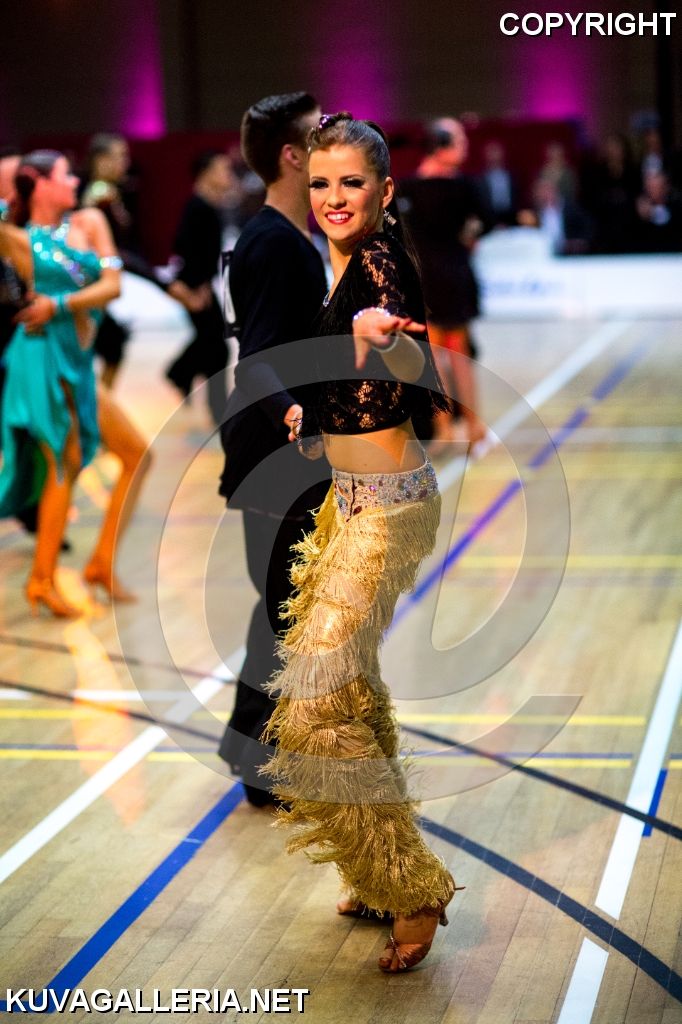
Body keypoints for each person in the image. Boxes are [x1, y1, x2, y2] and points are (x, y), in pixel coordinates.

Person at [263, 113, 457, 974]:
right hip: (348, 504)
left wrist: (374, 346)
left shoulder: (380, 263)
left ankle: (412, 888)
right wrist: (316, 407)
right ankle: (377, 869)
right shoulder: (343, 258)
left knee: (313, 707)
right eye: (321, 183)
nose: (334, 198)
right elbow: (354, 375)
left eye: (352, 183)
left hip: (389, 509)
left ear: (384, 188)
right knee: (352, 694)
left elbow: (409, 362)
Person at [216, 92, 330, 808]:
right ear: (291, 156)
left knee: (283, 602)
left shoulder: (285, 237)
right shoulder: (274, 244)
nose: (331, 140)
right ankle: (262, 764)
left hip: (280, 446)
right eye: (318, 135)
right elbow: (256, 360)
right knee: (287, 604)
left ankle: (250, 747)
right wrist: (295, 412)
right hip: (274, 449)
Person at [0, 150, 151, 615]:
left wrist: (59, 304)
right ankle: (41, 580)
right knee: (62, 463)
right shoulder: (17, 239)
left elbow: (113, 285)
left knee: (136, 454)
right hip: (41, 357)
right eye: (65, 175)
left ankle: (101, 562)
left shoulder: (89, 222)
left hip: (79, 360)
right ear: (40, 183)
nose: (74, 181)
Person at [398, 118, 489, 444]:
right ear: (441, 147)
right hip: (453, 273)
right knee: (458, 353)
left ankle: (445, 429)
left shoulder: (408, 188)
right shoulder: (465, 187)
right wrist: (468, 237)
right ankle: (473, 427)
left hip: (426, 276)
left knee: (435, 355)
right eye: (459, 141)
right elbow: (483, 223)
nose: (465, 147)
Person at [80, 133, 153, 389]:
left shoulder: (107, 194)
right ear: (101, 160)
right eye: (121, 156)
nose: (126, 163)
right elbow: (105, 253)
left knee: (111, 346)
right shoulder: (99, 198)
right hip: (90, 289)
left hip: (96, 289)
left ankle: (96, 407)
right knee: (106, 348)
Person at [165, 151, 232, 426]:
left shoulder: (207, 206)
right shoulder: (198, 207)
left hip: (200, 284)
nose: (228, 175)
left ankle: (181, 374)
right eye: (223, 169)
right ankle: (214, 405)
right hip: (195, 286)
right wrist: (199, 284)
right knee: (216, 346)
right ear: (206, 173)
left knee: (212, 343)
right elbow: (184, 246)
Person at [584, 134, 640, 254]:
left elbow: (637, 197)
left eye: (617, 147)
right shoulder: (598, 173)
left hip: (629, 225)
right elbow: (592, 199)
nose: (614, 151)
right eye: (611, 147)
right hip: (604, 225)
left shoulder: (633, 172)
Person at [528, 177, 594, 255]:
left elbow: (589, 225)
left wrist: (580, 241)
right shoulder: (535, 212)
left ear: (554, 190)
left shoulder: (571, 207)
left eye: (547, 190)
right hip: (545, 251)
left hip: (570, 252)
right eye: (541, 192)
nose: (544, 194)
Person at [635, 172, 682, 253]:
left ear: (666, 187)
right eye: (650, 187)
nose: (652, 190)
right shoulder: (636, 212)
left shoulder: (677, 209)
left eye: (656, 187)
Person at [478, 140, 517, 227]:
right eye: (491, 152)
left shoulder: (511, 176)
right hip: (489, 220)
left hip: (510, 219)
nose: (494, 156)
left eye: (497, 152)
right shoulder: (480, 179)